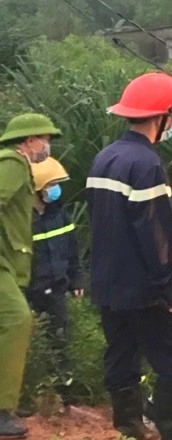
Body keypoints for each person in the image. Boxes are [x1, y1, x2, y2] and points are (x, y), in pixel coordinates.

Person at [86, 72, 172, 440]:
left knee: (122, 352)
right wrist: (171, 285)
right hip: (145, 287)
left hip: (109, 283)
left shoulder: (105, 157)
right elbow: (155, 230)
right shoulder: (146, 163)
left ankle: (128, 427)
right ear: (163, 117)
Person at [0, 113, 61, 439]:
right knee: (17, 319)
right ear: (28, 141)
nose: (47, 145)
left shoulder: (16, 165)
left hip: (9, 264)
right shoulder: (11, 162)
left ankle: (11, 400)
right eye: (44, 138)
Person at [25, 157, 85, 404]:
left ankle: (64, 391)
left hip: (57, 288)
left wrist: (77, 279)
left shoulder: (60, 215)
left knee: (59, 338)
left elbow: (72, 251)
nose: (55, 189)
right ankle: (27, 395)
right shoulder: (22, 220)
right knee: (28, 343)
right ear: (37, 187)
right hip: (30, 292)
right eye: (51, 184)